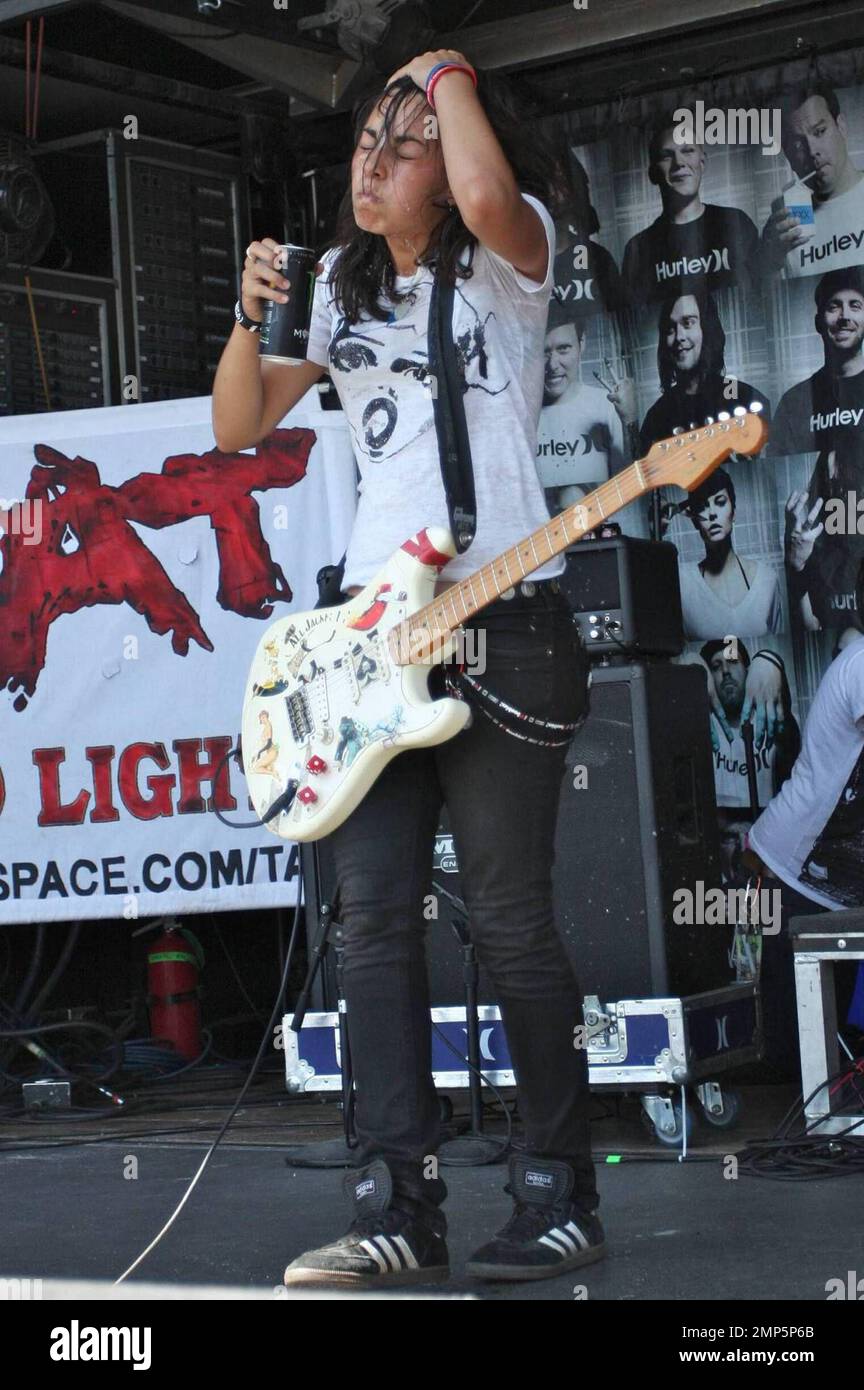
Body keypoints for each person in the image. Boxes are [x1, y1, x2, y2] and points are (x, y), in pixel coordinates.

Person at [212, 51, 605, 1288]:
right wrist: (244, 309)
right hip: (377, 644)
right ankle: (396, 1198)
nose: (373, 157)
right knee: (371, 925)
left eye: (407, 136)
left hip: (507, 625)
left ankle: (557, 1194)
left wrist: (442, 73)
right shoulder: (336, 285)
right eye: (367, 137)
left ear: (457, 143)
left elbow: (487, 199)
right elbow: (237, 426)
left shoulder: (512, 249)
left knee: (508, 922)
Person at [745, 560, 864, 1070]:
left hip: (837, 878)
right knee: (798, 1060)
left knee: (839, 1052)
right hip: (796, 867)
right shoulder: (861, 664)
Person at [621, 111, 760, 305]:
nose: (679, 163)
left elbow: (762, 293)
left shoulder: (735, 223)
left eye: (688, 151)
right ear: (653, 173)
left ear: (702, 162)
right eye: (666, 156)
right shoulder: (639, 249)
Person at [639, 290, 770, 453]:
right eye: (670, 329)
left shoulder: (741, 395)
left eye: (688, 323)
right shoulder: (657, 415)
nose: (679, 336)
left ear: (707, 329)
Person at [761, 82, 864, 280]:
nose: (812, 151)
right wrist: (770, 262)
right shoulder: (783, 227)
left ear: (841, 127)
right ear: (788, 155)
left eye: (819, 132)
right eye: (798, 143)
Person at [537, 298, 636, 503]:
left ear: (581, 344)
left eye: (563, 349)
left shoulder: (609, 406)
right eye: (543, 352)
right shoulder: (520, 414)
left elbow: (628, 490)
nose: (553, 364)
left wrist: (630, 422)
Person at [676, 467, 782, 640]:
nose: (712, 514)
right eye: (702, 507)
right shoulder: (683, 584)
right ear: (694, 520)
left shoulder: (767, 580)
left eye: (720, 502)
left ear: (734, 512)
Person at [768, 268, 864, 456]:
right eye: (834, 307)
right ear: (818, 322)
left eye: (855, 306)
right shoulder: (793, 402)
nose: (844, 317)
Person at [699, 637, 800, 811]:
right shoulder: (703, 726)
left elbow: (787, 728)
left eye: (732, 662)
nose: (725, 671)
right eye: (716, 667)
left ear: (748, 671)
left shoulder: (771, 718)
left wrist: (769, 660)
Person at [785, 434, 864, 633]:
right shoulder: (818, 555)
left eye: (844, 484)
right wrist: (796, 567)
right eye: (829, 486)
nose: (836, 495)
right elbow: (812, 627)